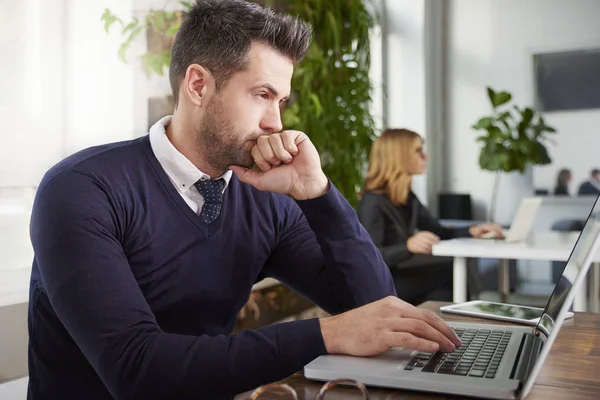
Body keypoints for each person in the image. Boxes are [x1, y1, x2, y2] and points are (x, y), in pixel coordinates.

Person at [26, 2, 461, 399]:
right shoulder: (81, 189)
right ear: (198, 85)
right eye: (263, 95)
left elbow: (376, 309)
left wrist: (318, 194)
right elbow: (138, 371)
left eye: (282, 100)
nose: (277, 122)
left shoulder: (266, 200)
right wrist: (325, 335)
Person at [357, 129, 503, 305]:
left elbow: (438, 231)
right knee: (449, 274)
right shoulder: (373, 201)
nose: (425, 157)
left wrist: (472, 230)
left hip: (400, 276)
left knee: (448, 279)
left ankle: (447, 324)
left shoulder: (407, 197)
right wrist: (408, 246)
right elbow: (369, 259)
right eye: (418, 151)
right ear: (400, 157)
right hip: (382, 284)